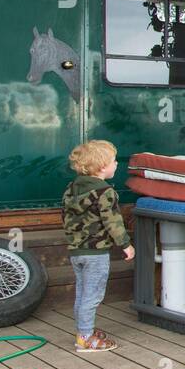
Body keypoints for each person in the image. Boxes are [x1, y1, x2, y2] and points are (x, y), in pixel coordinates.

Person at [63, 140, 135, 353]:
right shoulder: (105, 192)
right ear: (102, 166)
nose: (116, 164)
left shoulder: (72, 188)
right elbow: (113, 222)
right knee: (92, 296)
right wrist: (125, 244)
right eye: (114, 161)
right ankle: (85, 338)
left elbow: (66, 217)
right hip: (95, 253)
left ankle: (83, 330)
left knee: (82, 293)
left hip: (76, 251)